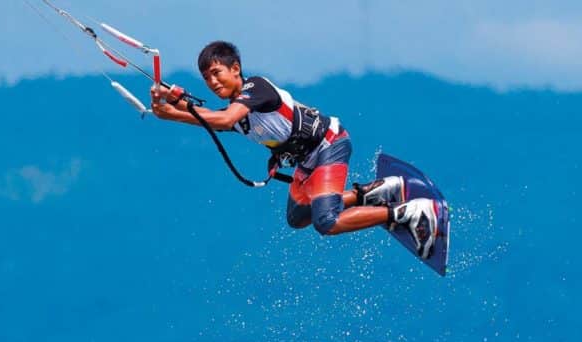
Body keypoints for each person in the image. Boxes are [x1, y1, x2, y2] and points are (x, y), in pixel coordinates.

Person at [149, 41, 439, 258]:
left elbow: (223, 118)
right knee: (299, 216)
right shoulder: (240, 114)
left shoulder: (257, 88)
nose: (212, 82)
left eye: (216, 73)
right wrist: (171, 109)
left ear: (235, 68)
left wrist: (173, 111)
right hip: (309, 161)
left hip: (329, 145)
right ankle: (370, 194)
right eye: (206, 78)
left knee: (327, 221)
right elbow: (218, 122)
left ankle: (406, 212)